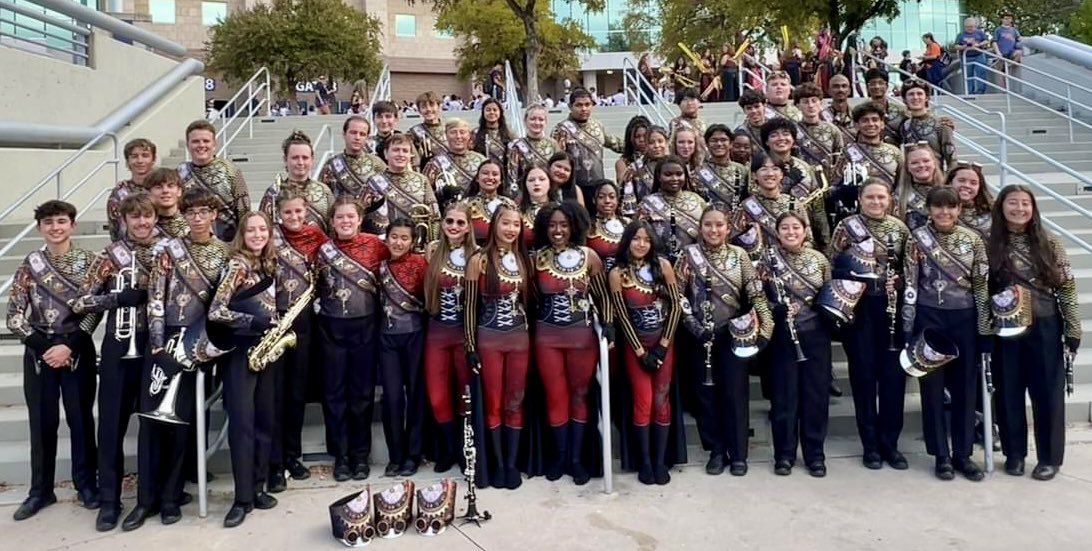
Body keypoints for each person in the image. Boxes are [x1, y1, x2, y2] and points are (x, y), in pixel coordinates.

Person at [124, 188, 230, 531]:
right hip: (163, 340)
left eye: (203, 212)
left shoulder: (225, 253)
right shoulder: (169, 249)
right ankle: (145, 500)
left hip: (197, 342)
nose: (197, 218)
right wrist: (157, 344)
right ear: (183, 215)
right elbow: (156, 297)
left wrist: (205, 346)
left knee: (181, 423)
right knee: (150, 422)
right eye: (191, 212)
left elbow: (223, 304)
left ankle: (171, 498)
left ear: (214, 214)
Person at [8, 200, 99, 522]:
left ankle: (86, 485)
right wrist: (45, 347)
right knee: (42, 423)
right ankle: (41, 490)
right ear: (39, 228)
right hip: (39, 353)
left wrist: (69, 346)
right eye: (48, 222)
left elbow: (95, 311)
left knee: (81, 420)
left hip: (77, 350)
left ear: (72, 225)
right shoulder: (29, 265)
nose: (55, 227)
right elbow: (14, 316)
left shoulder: (91, 263)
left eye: (61, 221)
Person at [74, 194, 158, 531]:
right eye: (135, 217)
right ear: (124, 220)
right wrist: (116, 298)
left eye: (147, 216)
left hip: (155, 345)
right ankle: (109, 500)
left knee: (152, 426)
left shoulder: (168, 252)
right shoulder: (110, 256)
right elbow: (80, 302)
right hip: (118, 347)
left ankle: (149, 498)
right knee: (110, 427)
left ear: (155, 218)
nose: (142, 223)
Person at [988, 185, 1080, 481]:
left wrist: (1073, 326)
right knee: (1008, 392)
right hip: (1005, 327)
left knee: (1047, 394)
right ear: (1001, 207)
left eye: (1025, 203)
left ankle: (1049, 458)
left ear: (1033, 208)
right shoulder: (989, 243)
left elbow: (1067, 287)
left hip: (1044, 324)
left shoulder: (1050, 242)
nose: (1019, 209)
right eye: (1012, 203)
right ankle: (1014, 454)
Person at [902, 186, 990, 481]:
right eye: (938, 206)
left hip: (965, 318)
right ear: (929, 209)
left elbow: (981, 286)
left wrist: (984, 328)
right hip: (929, 318)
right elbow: (911, 285)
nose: (944, 212)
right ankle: (941, 454)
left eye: (950, 206)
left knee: (965, 389)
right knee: (932, 390)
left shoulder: (973, 239)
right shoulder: (916, 239)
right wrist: (908, 327)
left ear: (959, 209)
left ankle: (963, 454)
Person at [678, 206, 774, 476]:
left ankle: (739, 453)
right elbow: (678, 296)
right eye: (708, 224)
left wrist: (766, 327)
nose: (713, 230)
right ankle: (716, 451)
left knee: (735, 394)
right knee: (706, 396)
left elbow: (755, 293)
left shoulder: (739, 255)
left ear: (728, 228)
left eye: (719, 225)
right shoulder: (688, 255)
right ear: (700, 228)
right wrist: (694, 327)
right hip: (700, 336)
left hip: (734, 333)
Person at [828, 179, 911, 470]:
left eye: (881, 197)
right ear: (860, 199)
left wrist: (899, 282)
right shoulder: (846, 226)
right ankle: (870, 445)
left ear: (889, 200)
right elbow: (833, 265)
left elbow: (910, 268)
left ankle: (891, 444)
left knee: (893, 379)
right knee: (863, 378)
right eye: (870, 197)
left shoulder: (900, 229)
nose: (876, 202)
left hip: (890, 309)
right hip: (859, 309)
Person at [208, 211, 280, 527]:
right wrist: (253, 322)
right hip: (240, 352)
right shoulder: (237, 265)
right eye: (251, 230)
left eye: (263, 229)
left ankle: (258, 487)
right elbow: (216, 311)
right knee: (243, 425)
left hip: (265, 351)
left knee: (264, 421)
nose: (257, 234)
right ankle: (242, 498)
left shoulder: (268, 264)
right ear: (242, 234)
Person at [533, 201, 609, 485]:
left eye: (564, 225)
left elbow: (602, 296)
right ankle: (560, 457)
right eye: (552, 225)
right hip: (547, 337)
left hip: (582, 337)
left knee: (580, 396)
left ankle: (576, 460)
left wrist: (609, 324)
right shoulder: (536, 259)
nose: (558, 230)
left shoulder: (590, 256)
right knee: (555, 396)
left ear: (574, 226)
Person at [316, 197, 390, 482]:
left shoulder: (376, 246)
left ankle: (360, 455)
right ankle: (341, 456)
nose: (345, 221)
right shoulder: (323, 251)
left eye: (350, 216)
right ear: (332, 222)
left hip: (366, 326)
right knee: (334, 394)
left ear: (360, 220)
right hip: (331, 327)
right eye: (340, 217)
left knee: (362, 394)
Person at [464, 204, 533, 489]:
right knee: (493, 402)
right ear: (494, 225)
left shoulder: (524, 259)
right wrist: (470, 347)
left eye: (516, 224)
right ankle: (498, 463)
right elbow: (470, 307)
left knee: (515, 400)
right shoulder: (479, 260)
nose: (511, 229)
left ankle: (512, 462)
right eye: (506, 223)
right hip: (489, 338)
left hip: (519, 339)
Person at [609, 220, 682, 484]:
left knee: (662, 401)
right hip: (636, 347)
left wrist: (663, 346)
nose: (641, 244)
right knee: (643, 402)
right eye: (636, 239)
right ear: (627, 241)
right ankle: (645, 462)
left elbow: (676, 307)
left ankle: (660, 460)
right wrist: (641, 353)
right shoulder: (617, 273)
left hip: (663, 343)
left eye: (647, 240)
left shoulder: (663, 266)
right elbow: (622, 316)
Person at [763, 212, 832, 476]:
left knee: (816, 397)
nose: (790, 232)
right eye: (785, 228)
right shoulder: (767, 260)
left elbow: (830, 293)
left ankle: (815, 455)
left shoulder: (819, 259)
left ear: (805, 231)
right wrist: (777, 309)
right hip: (782, 337)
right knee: (784, 397)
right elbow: (756, 298)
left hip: (816, 335)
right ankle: (784, 454)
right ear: (777, 232)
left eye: (796, 227)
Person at [267, 189, 327, 491]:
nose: (294, 217)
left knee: (296, 394)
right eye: (288, 212)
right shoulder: (269, 237)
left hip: (304, 324)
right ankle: (273, 461)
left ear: (307, 212)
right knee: (274, 395)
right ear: (279, 214)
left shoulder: (316, 237)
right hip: (274, 323)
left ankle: (292, 455)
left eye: (298, 211)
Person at [424, 201, 477, 473]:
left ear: (468, 227)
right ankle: (448, 449)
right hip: (438, 330)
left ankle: (466, 448)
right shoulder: (433, 250)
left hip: (464, 332)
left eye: (460, 222)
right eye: (449, 221)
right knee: (437, 395)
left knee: (464, 393)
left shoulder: (477, 255)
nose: (454, 226)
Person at [375, 220, 429, 477]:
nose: (398, 242)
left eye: (404, 238)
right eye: (394, 237)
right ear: (387, 238)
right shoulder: (380, 264)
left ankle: (413, 454)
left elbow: (428, 299)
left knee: (416, 395)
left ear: (412, 241)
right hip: (387, 339)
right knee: (392, 397)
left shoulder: (420, 264)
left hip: (415, 335)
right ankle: (395, 455)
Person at [762, 118, 830, 251]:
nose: (781, 138)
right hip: (768, 239)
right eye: (774, 135)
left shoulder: (806, 168)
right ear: (766, 142)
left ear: (793, 140)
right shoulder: (758, 168)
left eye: (786, 134)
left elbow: (818, 210)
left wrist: (824, 242)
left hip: (800, 239)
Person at [177, 120, 250, 242]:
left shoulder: (231, 171)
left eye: (206, 141)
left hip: (228, 242)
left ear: (214, 144)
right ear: (188, 145)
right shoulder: (180, 173)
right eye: (195, 141)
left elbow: (244, 209)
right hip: (191, 243)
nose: (201, 145)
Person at [730, 151, 812, 259]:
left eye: (775, 168)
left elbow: (808, 239)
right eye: (764, 169)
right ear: (754, 175)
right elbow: (733, 243)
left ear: (782, 174)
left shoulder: (793, 204)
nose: (770, 173)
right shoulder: (746, 207)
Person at [551, 88, 624, 204]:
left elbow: (614, 143)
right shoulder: (561, 130)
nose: (584, 109)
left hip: (598, 187)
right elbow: (556, 160)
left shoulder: (597, 126)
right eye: (579, 105)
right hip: (573, 188)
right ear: (570, 106)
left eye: (587, 104)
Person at [364, 133, 439, 237]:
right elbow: (361, 214)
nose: (401, 154)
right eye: (396, 150)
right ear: (386, 153)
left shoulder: (422, 180)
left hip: (416, 242)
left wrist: (432, 240)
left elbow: (435, 216)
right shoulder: (373, 182)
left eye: (405, 151)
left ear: (410, 155)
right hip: (384, 242)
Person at [259, 131, 333, 233]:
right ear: (285, 159)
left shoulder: (324, 191)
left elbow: (333, 229)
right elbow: (263, 228)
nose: (300, 162)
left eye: (305, 158)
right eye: (295, 158)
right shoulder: (274, 193)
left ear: (312, 160)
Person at [637, 155, 707, 263]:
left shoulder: (697, 200)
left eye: (679, 174)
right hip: (659, 262)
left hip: (694, 262)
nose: (674, 179)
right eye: (668, 174)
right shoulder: (647, 205)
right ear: (659, 176)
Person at [318, 116, 387, 202]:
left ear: (367, 138)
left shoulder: (377, 163)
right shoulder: (331, 165)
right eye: (353, 133)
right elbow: (322, 198)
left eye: (362, 134)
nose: (357, 137)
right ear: (344, 134)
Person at [794, 82, 845, 187]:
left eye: (814, 101)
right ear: (798, 106)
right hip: (801, 183)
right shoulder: (792, 131)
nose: (810, 105)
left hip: (828, 182)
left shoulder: (833, 130)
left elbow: (840, 158)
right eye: (805, 102)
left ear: (820, 103)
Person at [107, 138, 157, 241]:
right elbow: (115, 230)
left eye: (145, 155)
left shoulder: (163, 191)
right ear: (127, 162)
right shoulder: (119, 193)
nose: (140, 161)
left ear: (153, 160)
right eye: (134, 156)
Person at [900, 80, 955, 171]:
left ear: (926, 98)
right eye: (911, 94)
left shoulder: (941, 124)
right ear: (905, 99)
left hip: (936, 175)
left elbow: (952, 160)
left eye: (919, 94)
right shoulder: (905, 126)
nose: (915, 97)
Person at [507, 104, 559, 197]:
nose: (537, 122)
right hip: (525, 194)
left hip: (550, 193)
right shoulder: (516, 146)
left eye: (541, 119)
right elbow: (512, 176)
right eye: (532, 119)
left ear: (546, 122)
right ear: (525, 121)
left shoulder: (553, 144)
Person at [423, 118, 487, 193]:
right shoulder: (435, 164)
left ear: (469, 135)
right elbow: (425, 192)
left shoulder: (482, 161)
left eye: (462, 132)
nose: (458, 136)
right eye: (453, 132)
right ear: (446, 135)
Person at [693, 124, 749, 209]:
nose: (719, 144)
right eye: (714, 140)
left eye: (723, 140)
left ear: (731, 144)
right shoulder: (698, 171)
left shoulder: (742, 170)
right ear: (707, 144)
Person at [620, 126, 668, 218]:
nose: (656, 146)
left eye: (660, 141)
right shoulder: (635, 169)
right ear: (646, 145)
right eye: (651, 142)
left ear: (666, 142)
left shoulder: (676, 165)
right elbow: (629, 201)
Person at [466, 159, 517, 244]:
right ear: (477, 178)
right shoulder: (466, 205)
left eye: (495, 174)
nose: (490, 177)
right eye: (485, 173)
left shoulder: (510, 205)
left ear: (500, 180)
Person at [898, 142, 946, 231]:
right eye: (914, 163)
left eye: (926, 161)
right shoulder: (898, 197)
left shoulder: (950, 193)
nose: (921, 165)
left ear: (934, 163)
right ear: (907, 168)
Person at [586, 180, 629, 273]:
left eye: (612, 197)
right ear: (594, 200)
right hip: (599, 277)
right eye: (601, 197)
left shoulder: (628, 223)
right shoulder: (588, 226)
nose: (607, 201)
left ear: (617, 200)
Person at [862, 69, 908, 145]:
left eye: (880, 83)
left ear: (887, 86)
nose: (877, 86)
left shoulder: (901, 111)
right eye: (873, 83)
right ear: (867, 87)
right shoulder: (861, 111)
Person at [950, 161, 993, 240]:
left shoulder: (991, 213)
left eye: (973, 183)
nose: (967, 185)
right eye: (961, 180)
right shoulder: (938, 210)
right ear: (950, 182)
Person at [410, 91, 449, 171]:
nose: (428, 109)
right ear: (419, 110)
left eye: (432, 105)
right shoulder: (414, 133)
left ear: (439, 107)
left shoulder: (449, 128)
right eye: (424, 107)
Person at [372, 101, 420, 166]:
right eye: (379, 117)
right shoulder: (369, 144)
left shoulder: (405, 141)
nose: (384, 121)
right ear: (373, 120)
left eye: (388, 116)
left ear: (396, 120)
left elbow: (415, 164)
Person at [146, 167, 188, 238]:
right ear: (149, 193)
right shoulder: (144, 225)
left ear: (179, 191)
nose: (165, 191)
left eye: (170, 186)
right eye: (158, 187)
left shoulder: (193, 222)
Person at [472, 97, 514, 169]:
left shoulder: (510, 134)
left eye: (495, 110)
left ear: (500, 112)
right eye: (488, 110)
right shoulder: (475, 133)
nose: (492, 112)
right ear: (483, 112)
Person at [957, 17, 990, 95]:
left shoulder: (980, 33)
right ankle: (970, 92)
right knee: (968, 75)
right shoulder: (961, 35)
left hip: (978, 55)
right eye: (967, 27)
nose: (969, 29)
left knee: (981, 72)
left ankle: (980, 91)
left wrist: (979, 44)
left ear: (975, 26)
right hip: (966, 57)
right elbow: (956, 46)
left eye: (971, 27)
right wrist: (963, 47)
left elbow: (986, 41)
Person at [615, 115, 650, 185]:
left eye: (645, 135)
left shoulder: (656, 159)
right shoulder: (622, 163)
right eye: (637, 136)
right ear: (630, 138)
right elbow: (622, 184)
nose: (642, 140)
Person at [735, 89, 769, 157]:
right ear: (744, 110)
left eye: (757, 106)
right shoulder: (740, 132)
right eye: (749, 108)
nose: (753, 111)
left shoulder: (776, 127)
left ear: (764, 106)